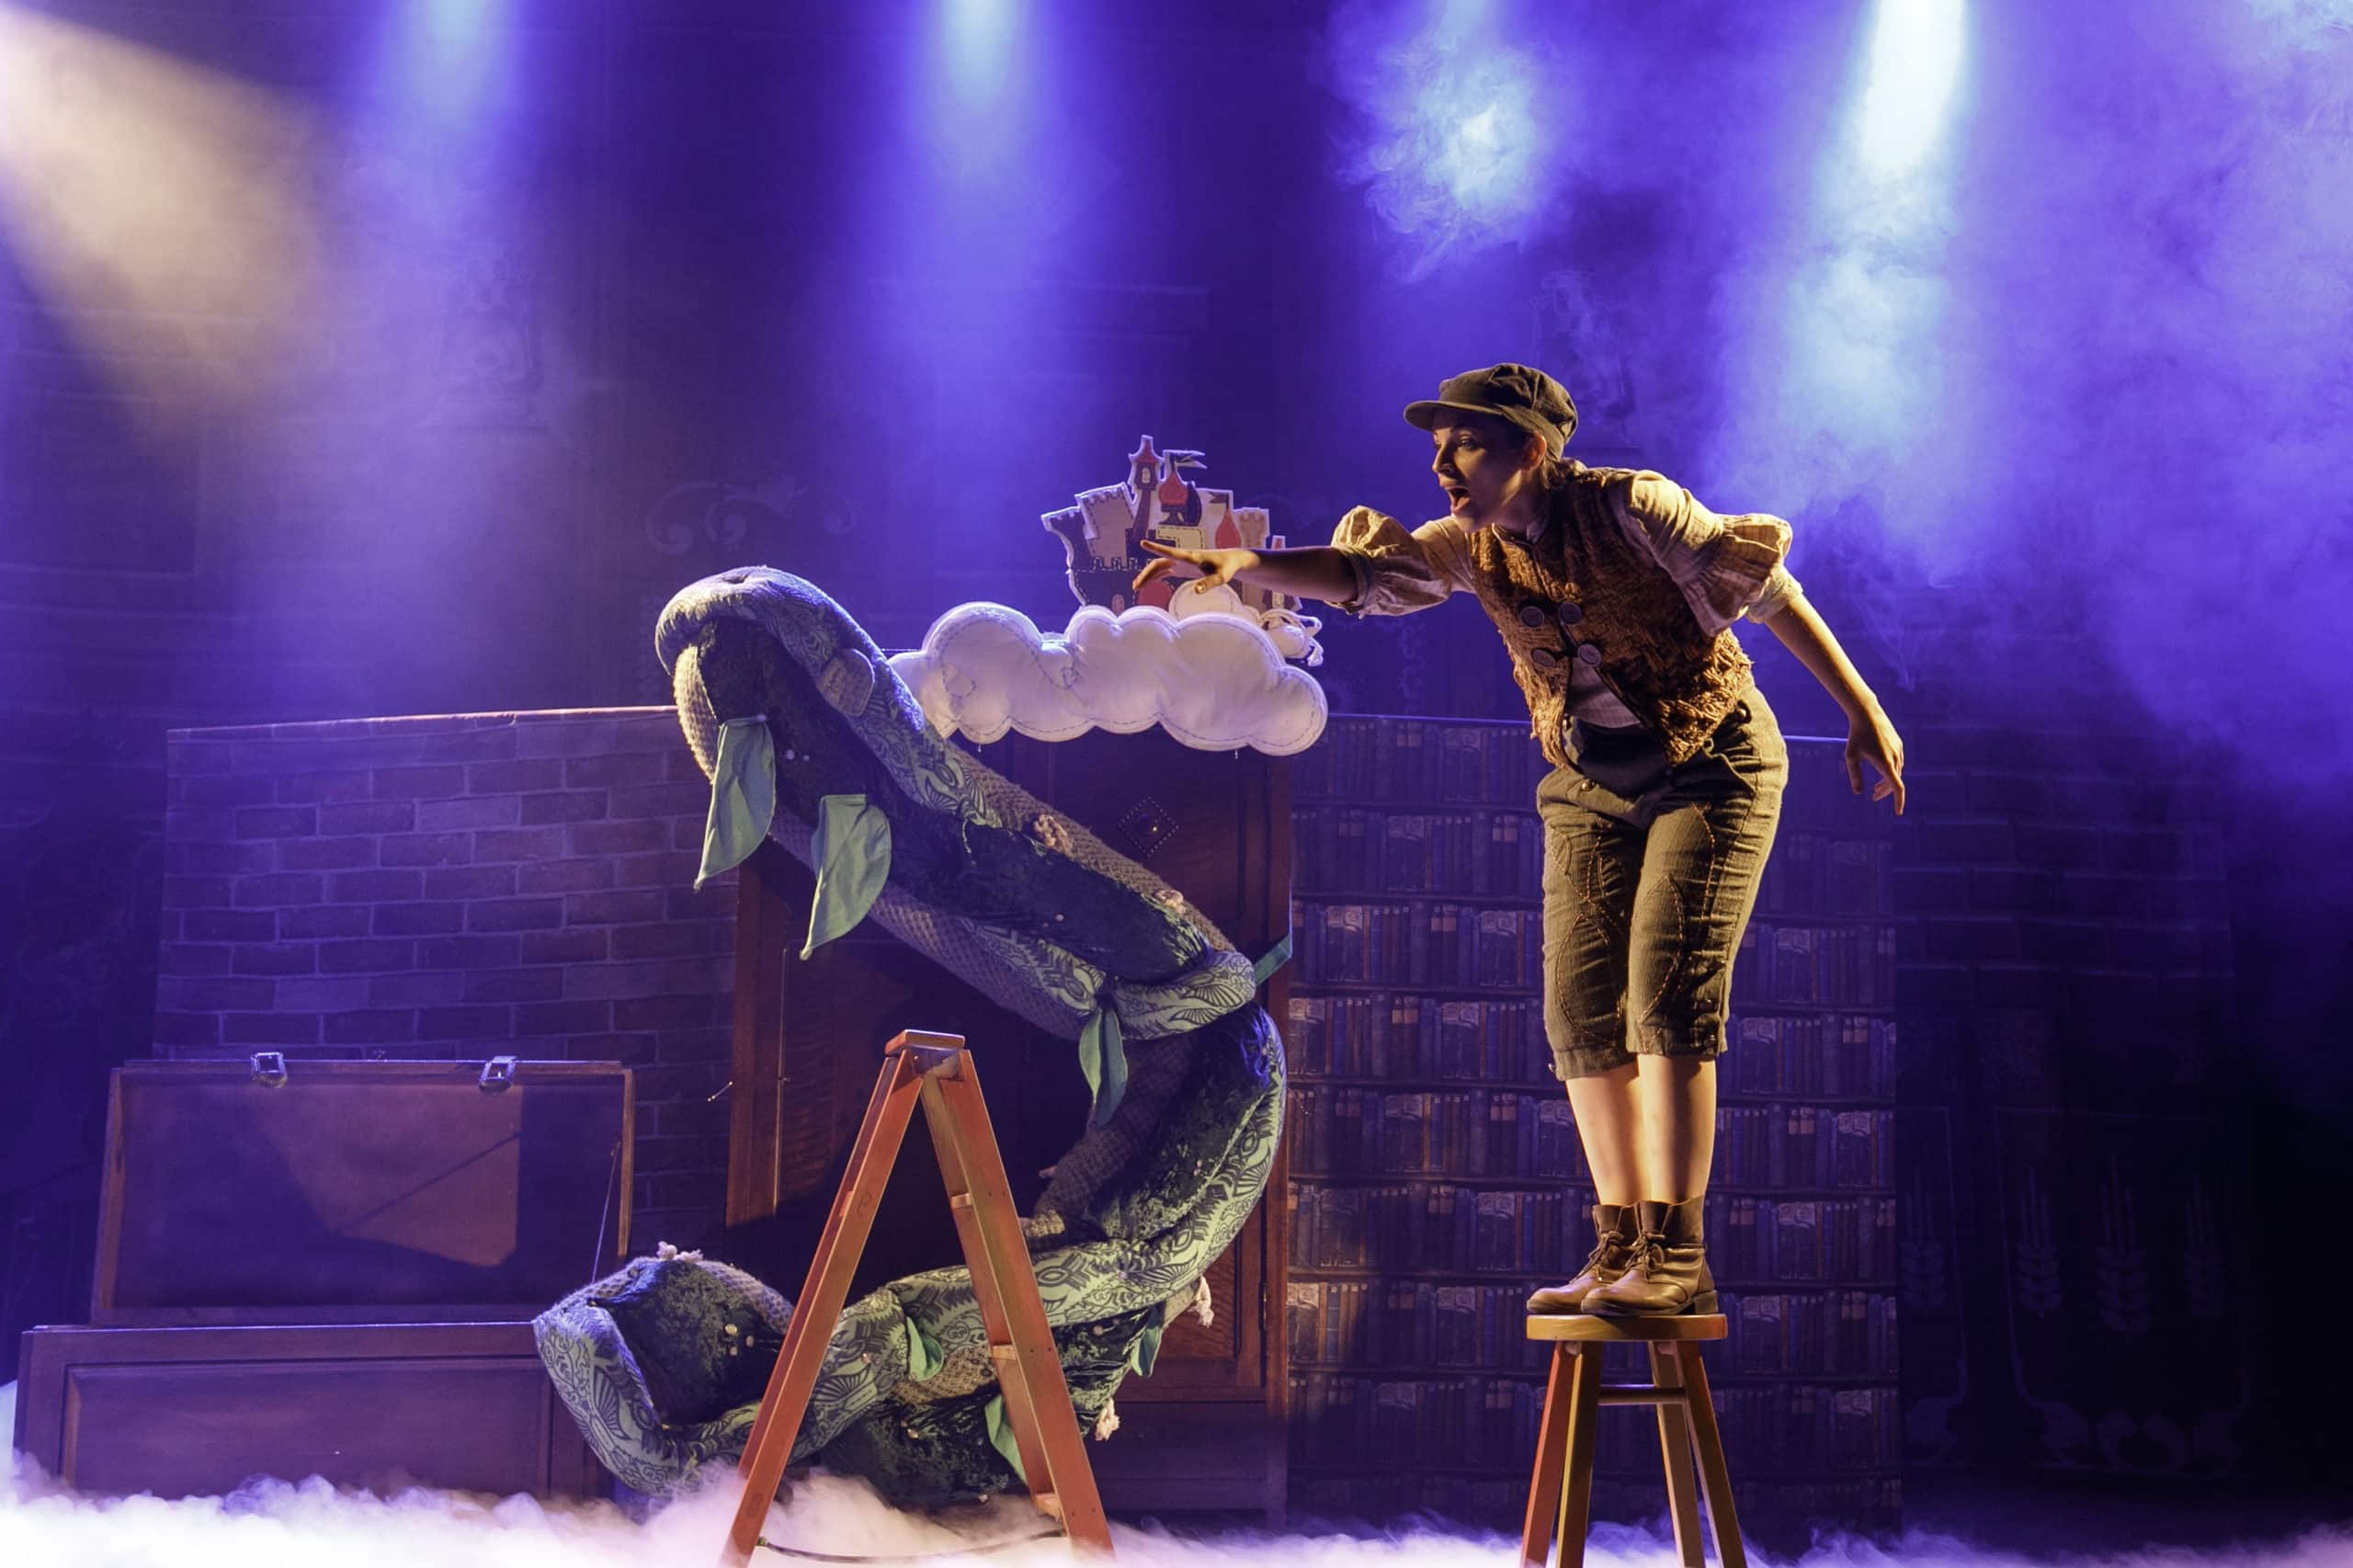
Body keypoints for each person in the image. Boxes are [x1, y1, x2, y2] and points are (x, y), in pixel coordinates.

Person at [1133, 363, 1904, 1316]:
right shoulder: (1469, 543)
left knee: (1667, 994)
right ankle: (1619, 1245)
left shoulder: (1632, 506)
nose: (1442, 467)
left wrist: (1863, 708)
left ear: (1530, 450)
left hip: (1713, 762)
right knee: (1579, 1011)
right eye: (1438, 448)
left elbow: (1770, 591)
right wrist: (1241, 565)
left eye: (1465, 446)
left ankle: (1676, 1254)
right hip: (1589, 780)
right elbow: (1363, 575)